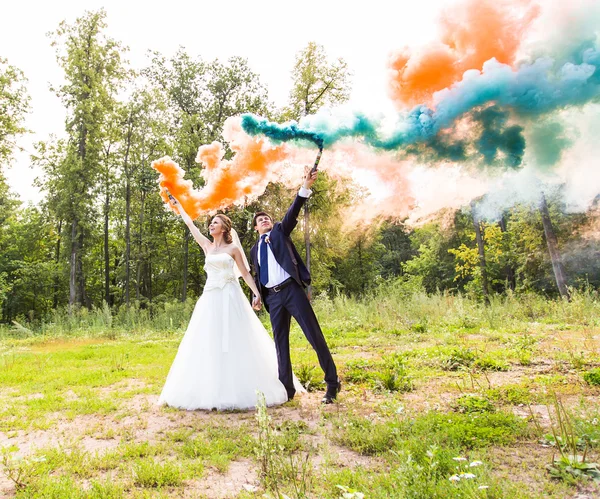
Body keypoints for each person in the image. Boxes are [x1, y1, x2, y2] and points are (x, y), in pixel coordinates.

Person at [158, 195, 300, 410]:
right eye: (211, 222)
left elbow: (244, 272)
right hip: (210, 298)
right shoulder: (206, 246)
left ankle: (244, 385)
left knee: (237, 337)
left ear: (224, 228)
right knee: (208, 339)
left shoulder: (233, 250)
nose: (210, 225)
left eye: (215, 222)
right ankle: (211, 387)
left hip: (231, 296)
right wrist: (179, 207)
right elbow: (190, 225)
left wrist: (257, 294)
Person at [250, 168, 341, 404]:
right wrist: (257, 296)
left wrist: (305, 186)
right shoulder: (254, 250)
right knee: (280, 345)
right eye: (260, 220)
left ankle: (332, 384)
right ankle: (286, 391)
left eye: (266, 217)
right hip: (272, 298)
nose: (264, 220)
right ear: (255, 228)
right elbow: (256, 275)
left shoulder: (280, 231)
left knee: (314, 336)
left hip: (291, 291)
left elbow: (293, 211)